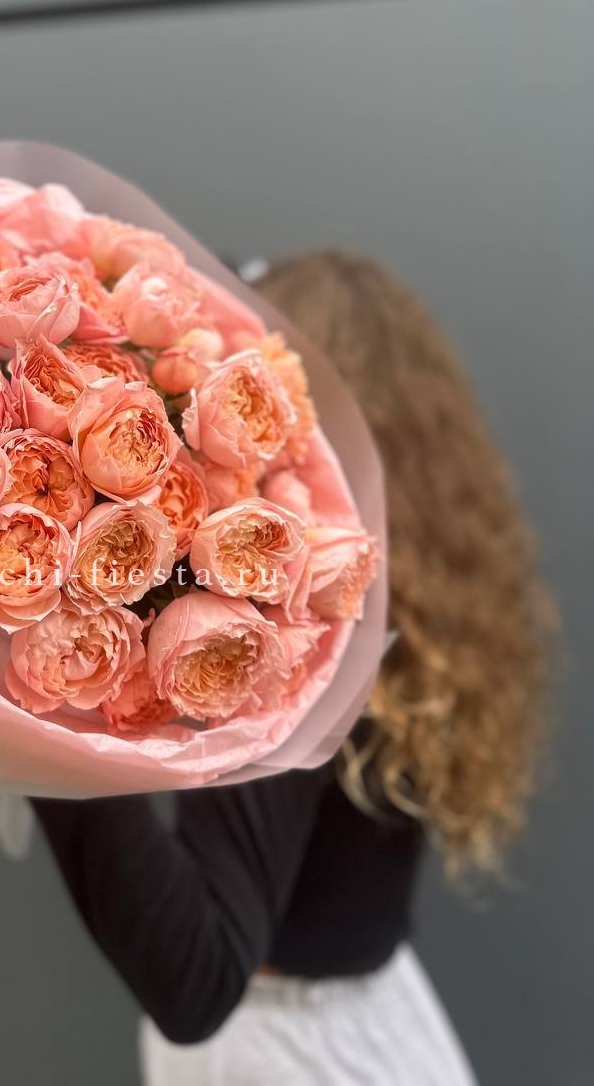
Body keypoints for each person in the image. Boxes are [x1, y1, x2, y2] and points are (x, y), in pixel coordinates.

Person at [31, 252, 554, 1085]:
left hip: (284, 1057)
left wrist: (43, 702)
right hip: (378, 1023)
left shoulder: (298, 620)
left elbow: (194, 980)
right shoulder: (409, 600)